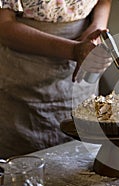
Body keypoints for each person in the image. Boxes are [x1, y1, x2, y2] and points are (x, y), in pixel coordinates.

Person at [0, 0, 113, 159]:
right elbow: (4, 27)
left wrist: (96, 28)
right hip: (24, 72)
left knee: (76, 161)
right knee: (24, 167)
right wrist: (73, 50)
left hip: (81, 65)